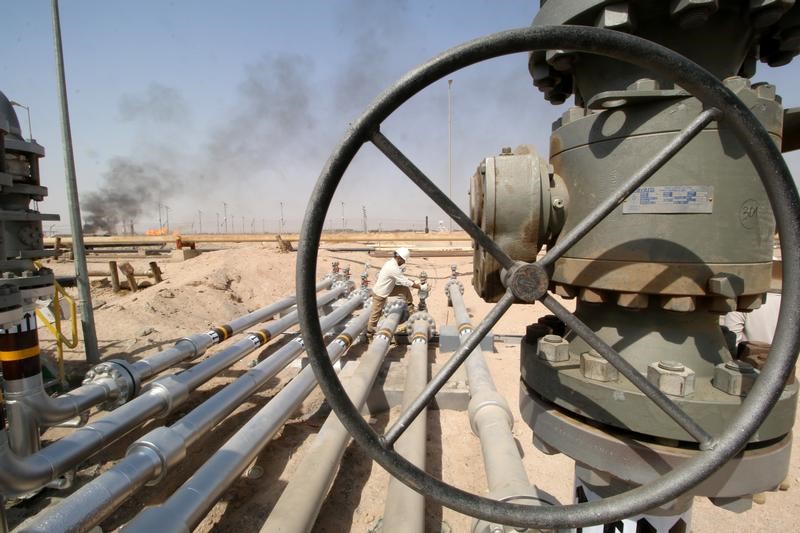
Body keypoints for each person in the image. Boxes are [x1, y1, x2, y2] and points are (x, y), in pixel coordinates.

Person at [367, 247, 420, 337]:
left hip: (389, 288)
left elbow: (402, 279)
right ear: (399, 258)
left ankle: (411, 308)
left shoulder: (391, 263)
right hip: (380, 293)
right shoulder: (392, 267)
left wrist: (413, 282)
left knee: (404, 289)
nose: (404, 263)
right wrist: (419, 287)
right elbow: (404, 280)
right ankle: (369, 333)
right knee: (376, 314)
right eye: (404, 260)